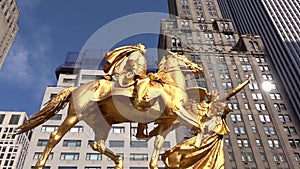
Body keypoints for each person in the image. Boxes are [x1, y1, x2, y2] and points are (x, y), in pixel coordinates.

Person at [103, 43, 149, 109]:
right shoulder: (137, 52)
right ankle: (139, 100)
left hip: (137, 74)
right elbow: (132, 61)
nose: (145, 50)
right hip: (130, 75)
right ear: (139, 47)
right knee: (145, 81)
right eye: (144, 48)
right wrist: (137, 73)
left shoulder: (141, 55)